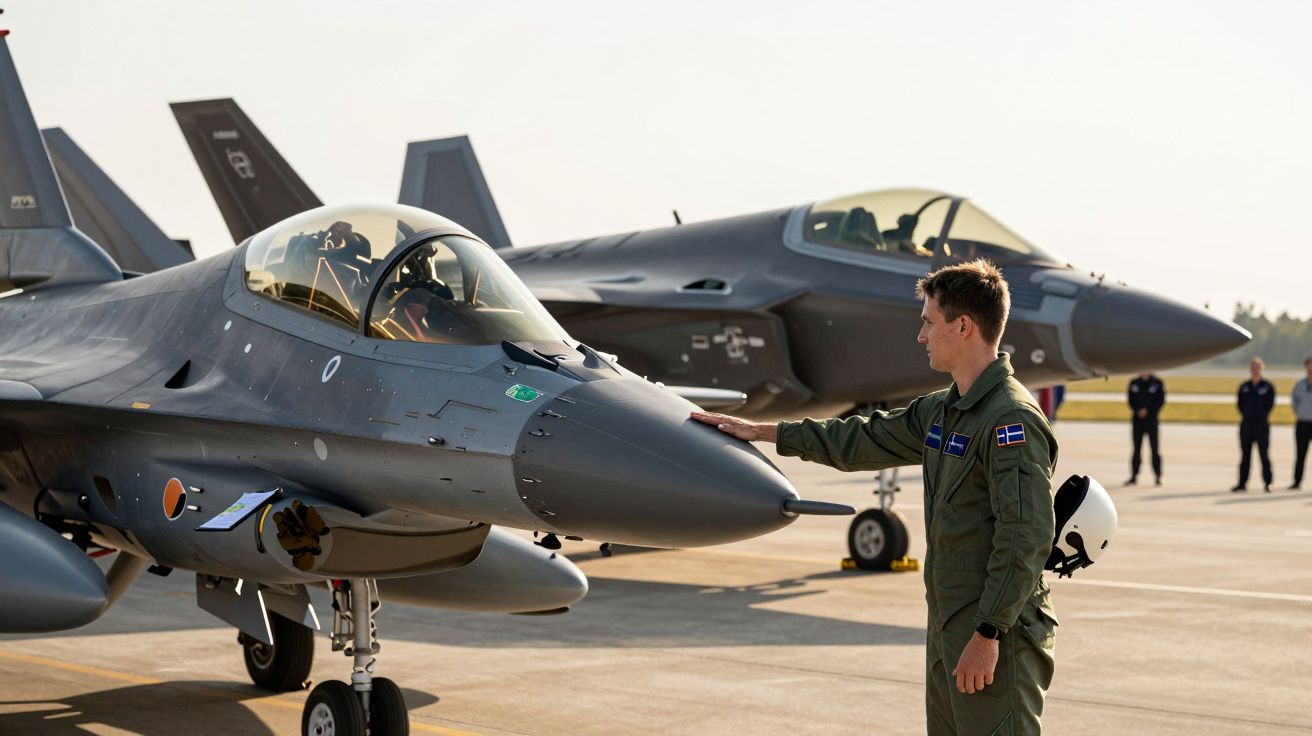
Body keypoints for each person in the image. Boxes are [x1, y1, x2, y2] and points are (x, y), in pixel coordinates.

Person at [692, 260, 1058, 735]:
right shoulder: (944, 410)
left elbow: (1025, 536)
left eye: (929, 322)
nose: (921, 336)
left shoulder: (1010, 420)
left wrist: (988, 633)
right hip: (951, 628)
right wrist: (767, 432)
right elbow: (861, 438)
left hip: (994, 635)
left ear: (963, 326)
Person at [1233, 357, 1276, 493]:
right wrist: (1247, 416)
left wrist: (1259, 417)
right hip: (1246, 425)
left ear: (1262, 369)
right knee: (1245, 456)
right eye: (1253, 367)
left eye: (1257, 367)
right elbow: (1239, 404)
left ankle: (1268, 482)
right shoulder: (1244, 387)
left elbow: (1270, 405)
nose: (1255, 370)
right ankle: (1242, 483)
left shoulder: (1267, 387)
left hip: (1261, 426)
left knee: (1264, 455)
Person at [1125, 373, 1165, 486]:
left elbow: (1160, 400)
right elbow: (1131, 400)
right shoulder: (1134, 383)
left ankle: (1158, 476)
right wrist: (1138, 410)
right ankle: (1134, 476)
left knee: (1154, 449)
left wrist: (1148, 411)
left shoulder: (1157, 383)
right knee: (1136, 449)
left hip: (1152, 421)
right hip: (1137, 422)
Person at [1290, 356, 1312, 490]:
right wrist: (1300, 412)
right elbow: (1294, 402)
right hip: (1303, 424)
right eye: (1309, 366)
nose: (1311, 369)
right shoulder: (1299, 385)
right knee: (1300, 454)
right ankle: (1297, 481)